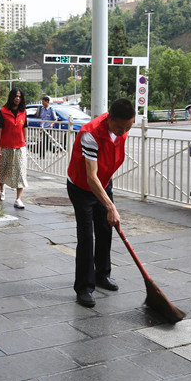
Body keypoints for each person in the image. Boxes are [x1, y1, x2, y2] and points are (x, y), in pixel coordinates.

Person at [67, 98, 135, 308]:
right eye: (120, 127)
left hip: (103, 182)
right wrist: (111, 206)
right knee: (87, 236)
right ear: (109, 119)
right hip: (81, 187)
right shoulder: (90, 134)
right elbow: (90, 177)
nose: (123, 131)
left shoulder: (121, 128)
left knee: (106, 228)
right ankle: (84, 287)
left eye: (128, 127)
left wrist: (108, 204)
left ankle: (102, 274)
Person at [0, 87, 28, 209]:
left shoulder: (23, 112)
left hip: (20, 147)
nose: (17, 99)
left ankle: (18, 199)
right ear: (11, 97)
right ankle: (1, 189)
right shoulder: (3, 111)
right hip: (5, 146)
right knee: (3, 170)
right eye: (15, 96)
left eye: (19, 96)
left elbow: (24, 126)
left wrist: (24, 141)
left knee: (20, 172)